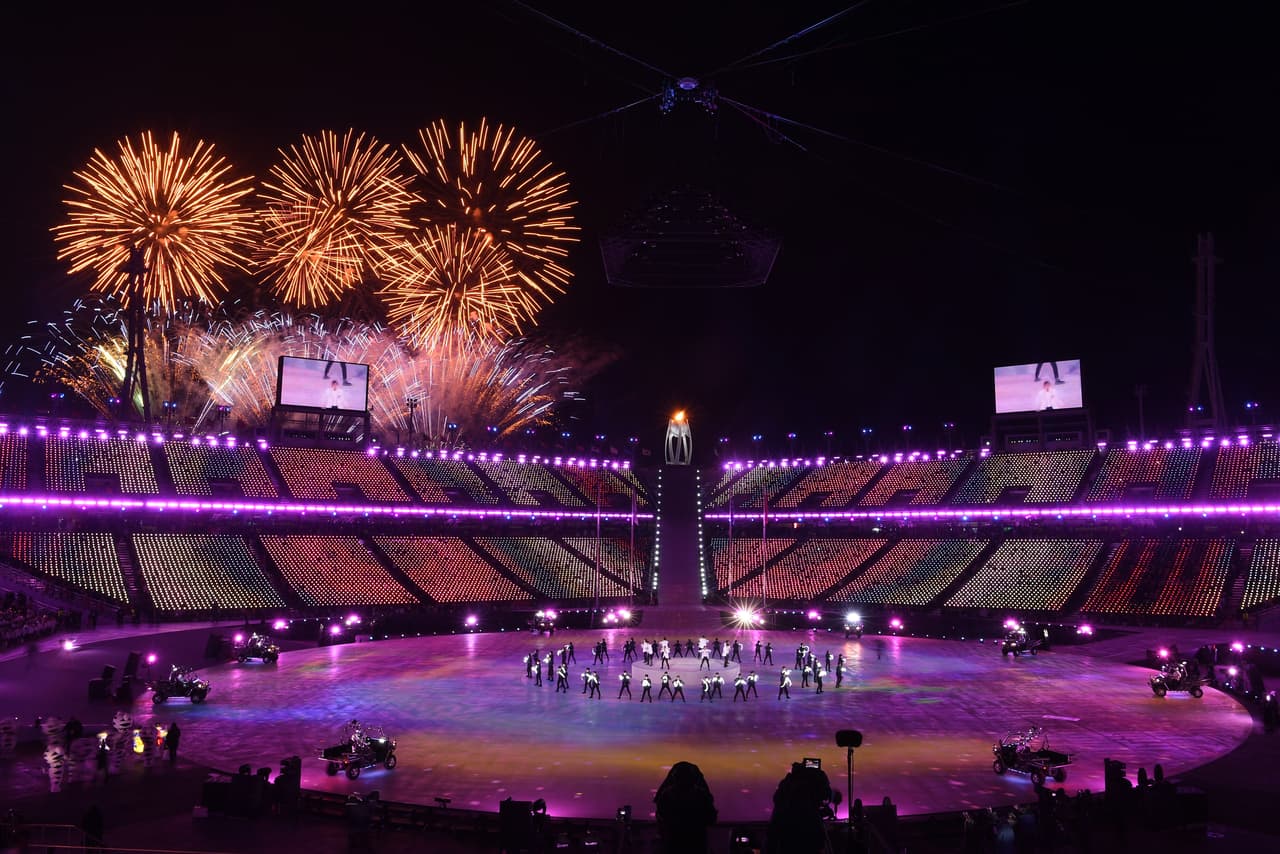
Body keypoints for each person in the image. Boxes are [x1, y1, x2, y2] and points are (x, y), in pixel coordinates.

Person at [654, 761, 717, 854]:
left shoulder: (666, 795)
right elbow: (711, 818)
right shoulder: (702, 795)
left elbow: (661, 817)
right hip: (696, 843)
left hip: (673, 843)